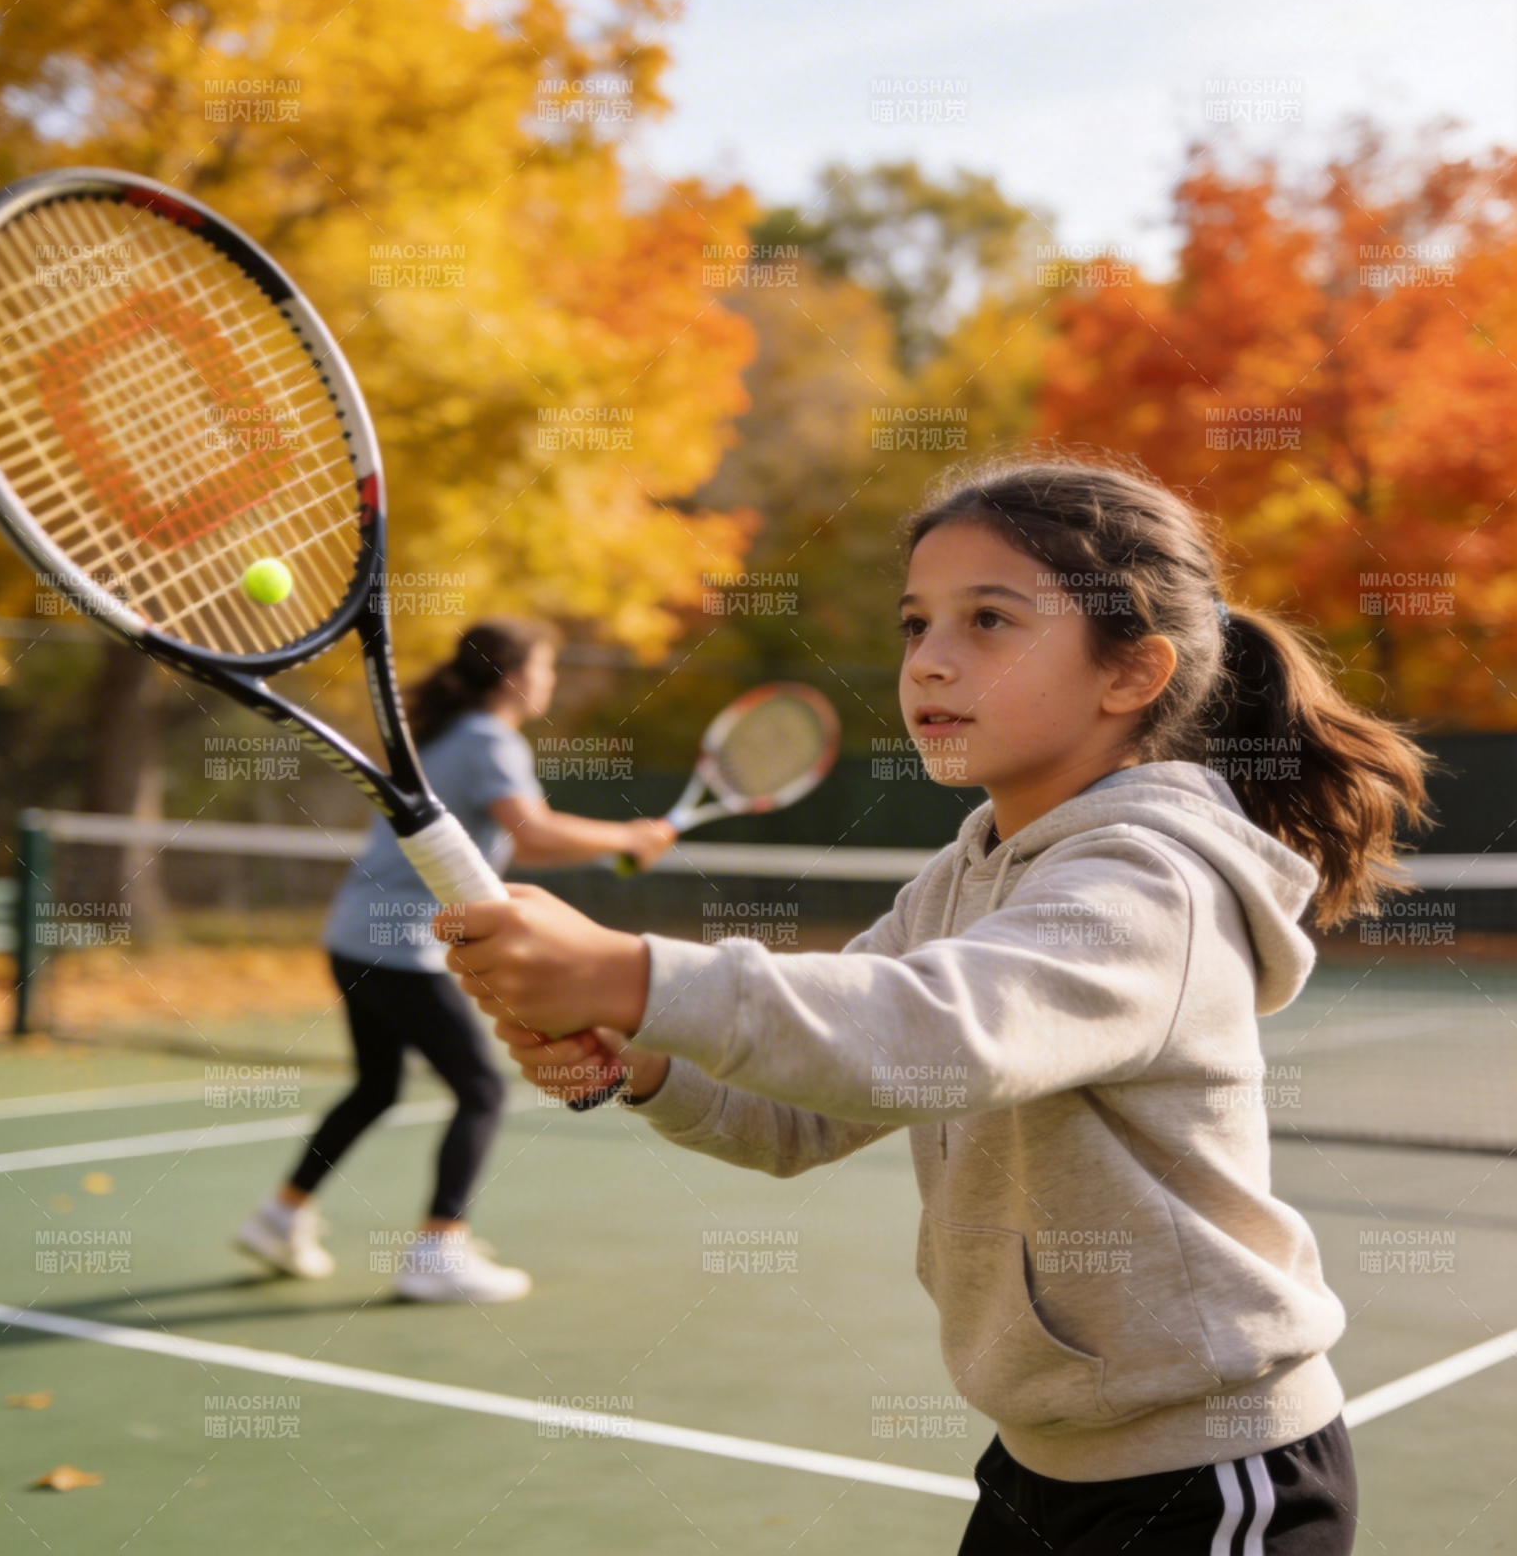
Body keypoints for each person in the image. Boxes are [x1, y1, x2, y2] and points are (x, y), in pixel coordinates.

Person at [444, 453, 1437, 1550]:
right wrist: (643, 1062)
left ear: (1130, 673)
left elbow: (927, 1032)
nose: (930, 661)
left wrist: (631, 973)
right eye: (916, 624)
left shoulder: (1153, 881)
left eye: (989, 622)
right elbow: (800, 1115)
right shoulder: (965, 873)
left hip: (1207, 1477)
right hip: (1037, 1460)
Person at [233, 616, 675, 1303]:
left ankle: (279, 1216)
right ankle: (438, 1250)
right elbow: (530, 833)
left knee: (376, 1087)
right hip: (398, 947)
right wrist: (629, 835)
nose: (551, 680)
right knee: (482, 1089)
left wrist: (621, 841)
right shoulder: (487, 739)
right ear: (514, 677)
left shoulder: (443, 734)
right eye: (546, 666)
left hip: (352, 934)